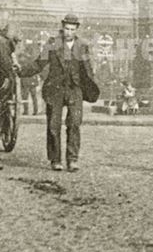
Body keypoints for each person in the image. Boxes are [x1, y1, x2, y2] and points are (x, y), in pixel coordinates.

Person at [19, 13, 99, 172]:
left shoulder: (82, 45)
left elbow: (88, 69)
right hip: (55, 90)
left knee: (74, 124)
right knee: (53, 126)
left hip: (75, 90)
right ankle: (55, 160)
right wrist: (22, 71)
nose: (69, 32)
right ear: (62, 27)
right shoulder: (52, 44)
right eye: (66, 28)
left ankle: (72, 159)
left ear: (76, 30)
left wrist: (91, 87)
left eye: (72, 29)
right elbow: (39, 64)